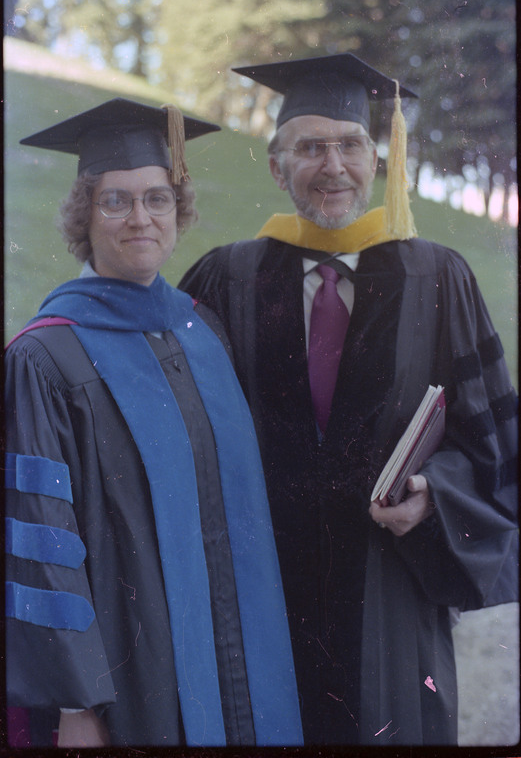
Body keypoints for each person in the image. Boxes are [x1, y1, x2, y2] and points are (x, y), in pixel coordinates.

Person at [179, 53, 518, 745]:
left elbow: (489, 443)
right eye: (309, 148)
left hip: (388, 590)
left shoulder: (436, 276)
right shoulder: (226, 278)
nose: (331, 166)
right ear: (277, 169)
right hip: (259, 585)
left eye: (348, 146)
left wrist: (435, 496)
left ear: (376, 160)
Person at [5, 97, 303, 748]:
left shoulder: (198, 330)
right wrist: (74, 702)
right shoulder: (45, 357)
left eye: (157, 199)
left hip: (237, 659)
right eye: (116, 200)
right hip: (130, 679)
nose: (140, 217)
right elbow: (41, 542)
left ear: (178, 212)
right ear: (85, 215)